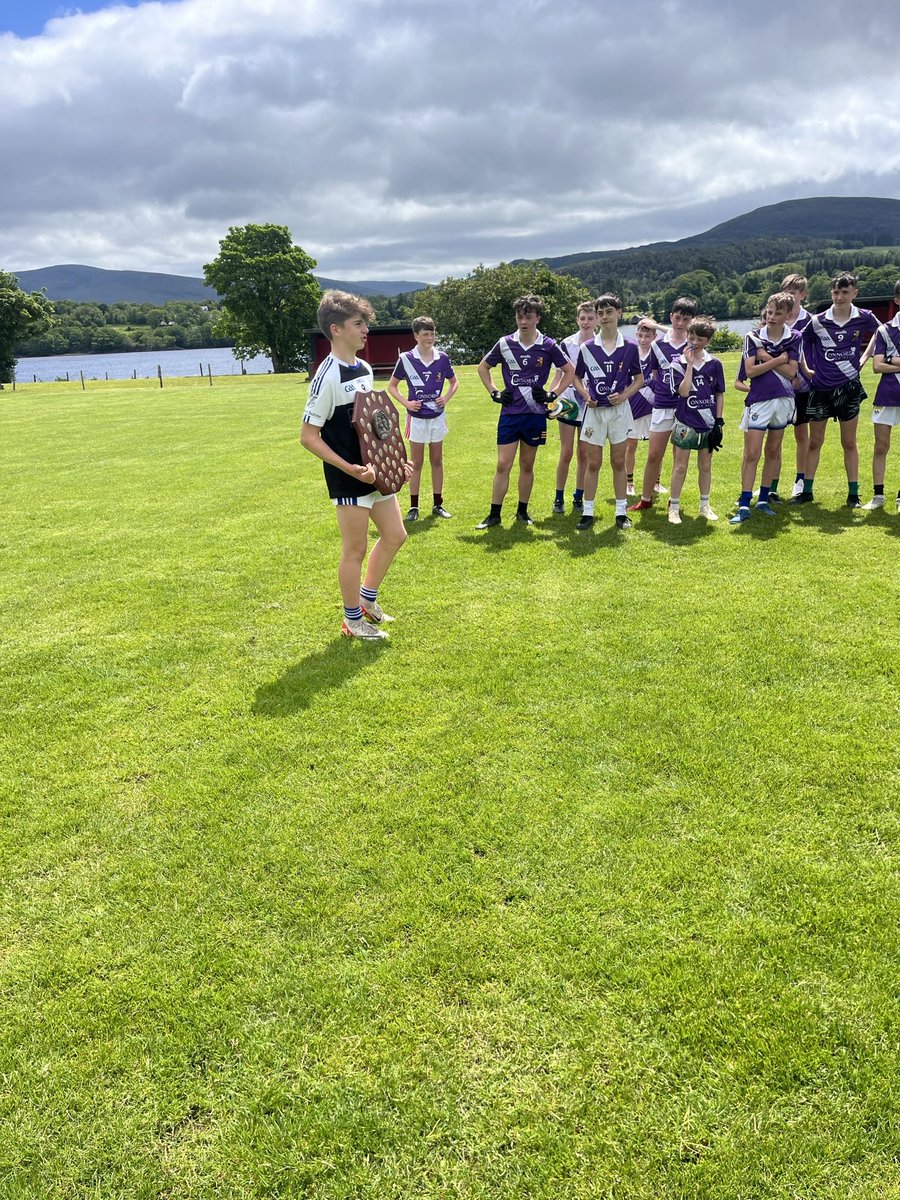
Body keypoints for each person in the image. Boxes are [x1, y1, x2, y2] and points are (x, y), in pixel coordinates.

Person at [301, 290, 412, 640]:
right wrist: (349, 468)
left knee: (395, 535)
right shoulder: (326, 377)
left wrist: (396, 460)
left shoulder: (363, 368)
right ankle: (352, 621)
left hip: (376, 473)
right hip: (348, 478)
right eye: (358, 324)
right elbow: (308, 436)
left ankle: (366, 601)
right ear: (336, 329)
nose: (366, 330)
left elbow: (374, 422)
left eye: (365, 323)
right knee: (355, 550)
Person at [475, 294, 574, 528]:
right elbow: (483, 367)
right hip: (510, 414)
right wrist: (494, 392)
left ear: (537, 318)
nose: (523, 322)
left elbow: (569, 370)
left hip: (535, 415)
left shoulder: (548, 345)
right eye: (520, 317)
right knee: (503, 464)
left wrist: (553, 394)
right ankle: (494, 515)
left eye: (528, 317)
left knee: (527, 465)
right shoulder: (505, 343)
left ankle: (522, 512)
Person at [795, 272, 879, 508]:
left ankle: (853, 494)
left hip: (849, 388)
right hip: (820, 388)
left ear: (855, 293)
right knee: (815, 442)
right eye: (835, 292)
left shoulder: (864, 317)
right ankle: (807, 492)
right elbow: (798, 342)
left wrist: (864, 358)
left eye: (844, 292)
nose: (839, 297)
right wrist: (806, 369)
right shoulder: (818, 321)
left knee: (849, 442)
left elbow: (882, 334)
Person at [572, 293, 644, 530]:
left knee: (618, 462)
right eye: (600, 313)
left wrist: (623, 396)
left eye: (608, 312)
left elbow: (639, 379)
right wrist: (585, 396)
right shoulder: (588, 347)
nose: (604, 317)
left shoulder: (631, 347)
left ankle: (621, 512)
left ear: (619, 313)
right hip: (594, 413)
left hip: (619, 412)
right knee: (593, 463)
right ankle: (588, 512)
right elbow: (576, 378)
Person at [730, 292, 800, 524]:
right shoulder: (752, 337)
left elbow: (792, 374)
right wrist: (779, 360)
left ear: (788, 315)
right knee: (752, 454)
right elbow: (750, 372)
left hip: (783, 401)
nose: (771, 317)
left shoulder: (794, 337)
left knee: (773, 451)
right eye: (769, 312)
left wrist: (766, 358)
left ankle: (762, 499)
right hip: (760, 400)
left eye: (777, 313)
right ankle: (744, 503)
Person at [627, 296, 698, 512]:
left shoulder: (693, 345)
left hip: (685, 406)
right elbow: (656, 373)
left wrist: (656, 324)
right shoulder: (658, 345)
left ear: (692, 321)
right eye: (677, 318)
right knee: (653, 454)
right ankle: (646, 499)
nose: (680, 323)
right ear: (671, 317)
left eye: (686, 320)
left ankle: (673, 501)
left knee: (680, 456)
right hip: (662, 405)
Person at [386, 315, 458, 522]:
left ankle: (438, 504)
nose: (430, 338)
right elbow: (392, 386)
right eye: (425, 334)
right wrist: (406, 403)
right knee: (416, 462)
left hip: (437, 417)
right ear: (416, 336)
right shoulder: (406, 359)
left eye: (432, 333)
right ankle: (414, 507)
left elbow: (454, 382)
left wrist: (446, 397)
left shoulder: (442, 358)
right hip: (416, 418)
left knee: (437, 460)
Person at [665, 315, 725, 524]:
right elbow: (682, 392)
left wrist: (719, 422)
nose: (694, 342)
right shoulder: (676, 364)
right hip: (685, 422)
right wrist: (689, 365)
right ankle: (674, 507)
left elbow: (719, 394)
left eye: (700, 339)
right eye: (692, 336)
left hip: (707, 423)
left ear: (708, 341)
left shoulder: (715, 364)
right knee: (680, 466)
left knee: (705, 466)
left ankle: (704, 505)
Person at [553, 301, 596, 514]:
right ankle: (558, 497)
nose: (586, 322)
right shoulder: (566, 344)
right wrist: (551, 399)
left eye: (590, 318)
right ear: (577, 319)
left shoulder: (601, 344)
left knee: (584, 454)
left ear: (596, 320)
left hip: (591, 404)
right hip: (569, 403)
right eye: (582, 318)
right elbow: (559, 375)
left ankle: (578, 496)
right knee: (566, 451)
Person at [862, 278, 900, 512]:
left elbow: (884, 361)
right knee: (881, 446)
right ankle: (878, 496)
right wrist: (889, 362)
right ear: (897, 300)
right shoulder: (885, 330)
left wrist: (891, 360)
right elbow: (876, 366)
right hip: (887, 394)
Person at [781, 273, 814, 499]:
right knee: (774, 436)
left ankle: (800, 479)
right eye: (786, 292)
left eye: (793, 292)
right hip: (777, 388)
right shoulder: (775, 317)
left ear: (803, 295)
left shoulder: (811, 321)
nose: (789, 297)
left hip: (802, 387)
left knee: (802, 434)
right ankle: (769, 485)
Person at [625, 316, 660, 495]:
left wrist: (656, 325)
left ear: (654, 336)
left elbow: (680, 334)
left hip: (654, 404)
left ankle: (656, 482)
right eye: (640, 335)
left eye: (648, 336)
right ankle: (629, 483)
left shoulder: (659, 350)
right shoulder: (630, 352)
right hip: (634, 405)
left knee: (656, 447)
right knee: (631, 445)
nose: (643, 340)